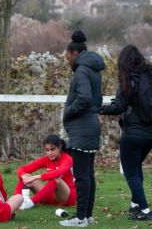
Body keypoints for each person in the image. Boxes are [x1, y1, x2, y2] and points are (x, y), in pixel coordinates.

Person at [100, 45, 152, 221]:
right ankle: (135, 206)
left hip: (133, 134)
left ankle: (145, 210)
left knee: (130, 172)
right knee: (136, 168)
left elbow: (119, 107)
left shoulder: (128, 79)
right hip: (149, 134)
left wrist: (98, 108)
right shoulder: (149, 76)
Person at [59, 30, 105, 227]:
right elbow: (97, 99)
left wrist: (69, 111)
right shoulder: (93, 70)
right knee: (88, 175)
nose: (67, 60)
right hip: (90, 125)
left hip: (82, 128)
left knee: (81, 176)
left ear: (74, 54)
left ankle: (80, 218)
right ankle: (88, 216)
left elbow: (85, 98)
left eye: (67, 56)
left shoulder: (82, 71)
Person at [14, 134, 76, 210]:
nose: (49, 153)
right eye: (47, 150)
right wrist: (24, 176)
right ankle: (16, 201)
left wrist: (35, 177)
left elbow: (59, 172)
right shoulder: (46, 159)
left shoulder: (67, 159)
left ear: (59, 148)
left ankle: (30, 202)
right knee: (25, 176)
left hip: (67, 198)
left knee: (56, 179)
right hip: (51, 196)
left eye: (52, 149)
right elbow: (21, 169)